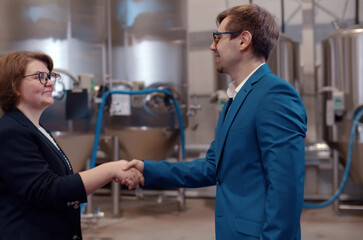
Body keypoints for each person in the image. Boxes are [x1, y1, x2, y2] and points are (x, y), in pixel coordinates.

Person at [123, 4, 307, 240]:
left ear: (243, 40)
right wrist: (147, 169)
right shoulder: (236, 99)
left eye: (218, 38)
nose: (212, 46)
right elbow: (212, 167)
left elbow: (286, 189)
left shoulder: (275, 95)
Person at [0, 51, 142, 240]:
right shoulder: (10, 132)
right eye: (40, 77)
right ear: (15, 86)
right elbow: (48, 190)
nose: (50, 83)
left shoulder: (36, 128)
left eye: (50, 76)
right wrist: (109, 170)